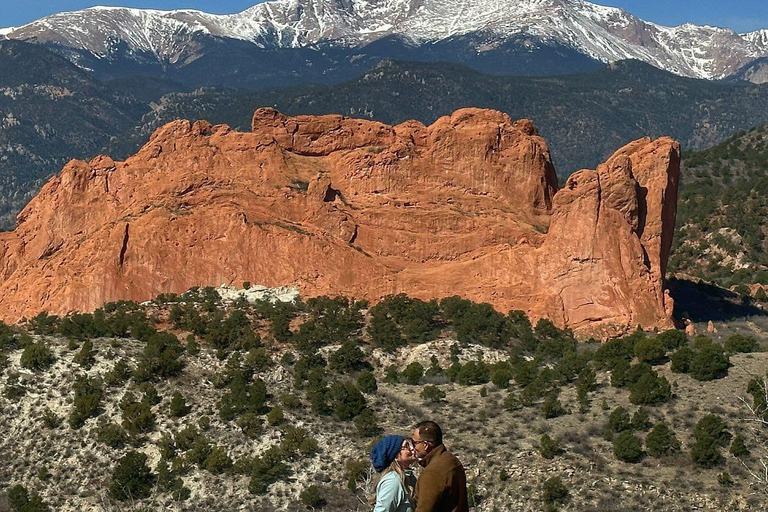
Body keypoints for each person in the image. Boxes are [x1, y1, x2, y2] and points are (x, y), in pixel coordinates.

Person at [411, 421, 469, 512]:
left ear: (425, 445)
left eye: (414, 443)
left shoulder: (432, 473)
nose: (413, 447)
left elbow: (424, 509)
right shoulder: (451, 460)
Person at [370, 434, 418, 512]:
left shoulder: (408, 477)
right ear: (396, 456)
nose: (412, 448)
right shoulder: (392, 481)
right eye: (407, 446)